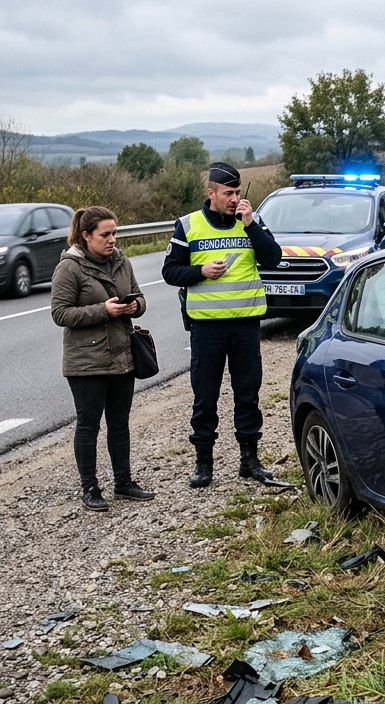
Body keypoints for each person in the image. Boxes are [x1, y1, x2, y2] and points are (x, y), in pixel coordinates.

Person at [162, 162, 291, 489]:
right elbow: (170, 272)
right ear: (211, 193)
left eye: (237, 193)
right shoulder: (189, 225)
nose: (234, 199)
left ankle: (250, 460)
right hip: (207, 329)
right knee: (205, 397)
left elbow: (274, 258)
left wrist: (250, 225)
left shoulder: (251, 222)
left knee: (247, 395)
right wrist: (200, 272)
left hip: (246, 326)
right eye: (228, 194)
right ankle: (203, 462)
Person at [50, 205, 156, 510]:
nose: (112, 240)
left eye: (114, 233)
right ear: (86, 236)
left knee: (119, 423)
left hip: (122, 357)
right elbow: (60, 313)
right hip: (86, 362)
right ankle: (90, 488)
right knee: (89, 426)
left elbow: (140, 296)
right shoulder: (69, 268)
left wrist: (135, 307)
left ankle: (124, 483)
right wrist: (103, 310)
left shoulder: (121, 261)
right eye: (105, 234)